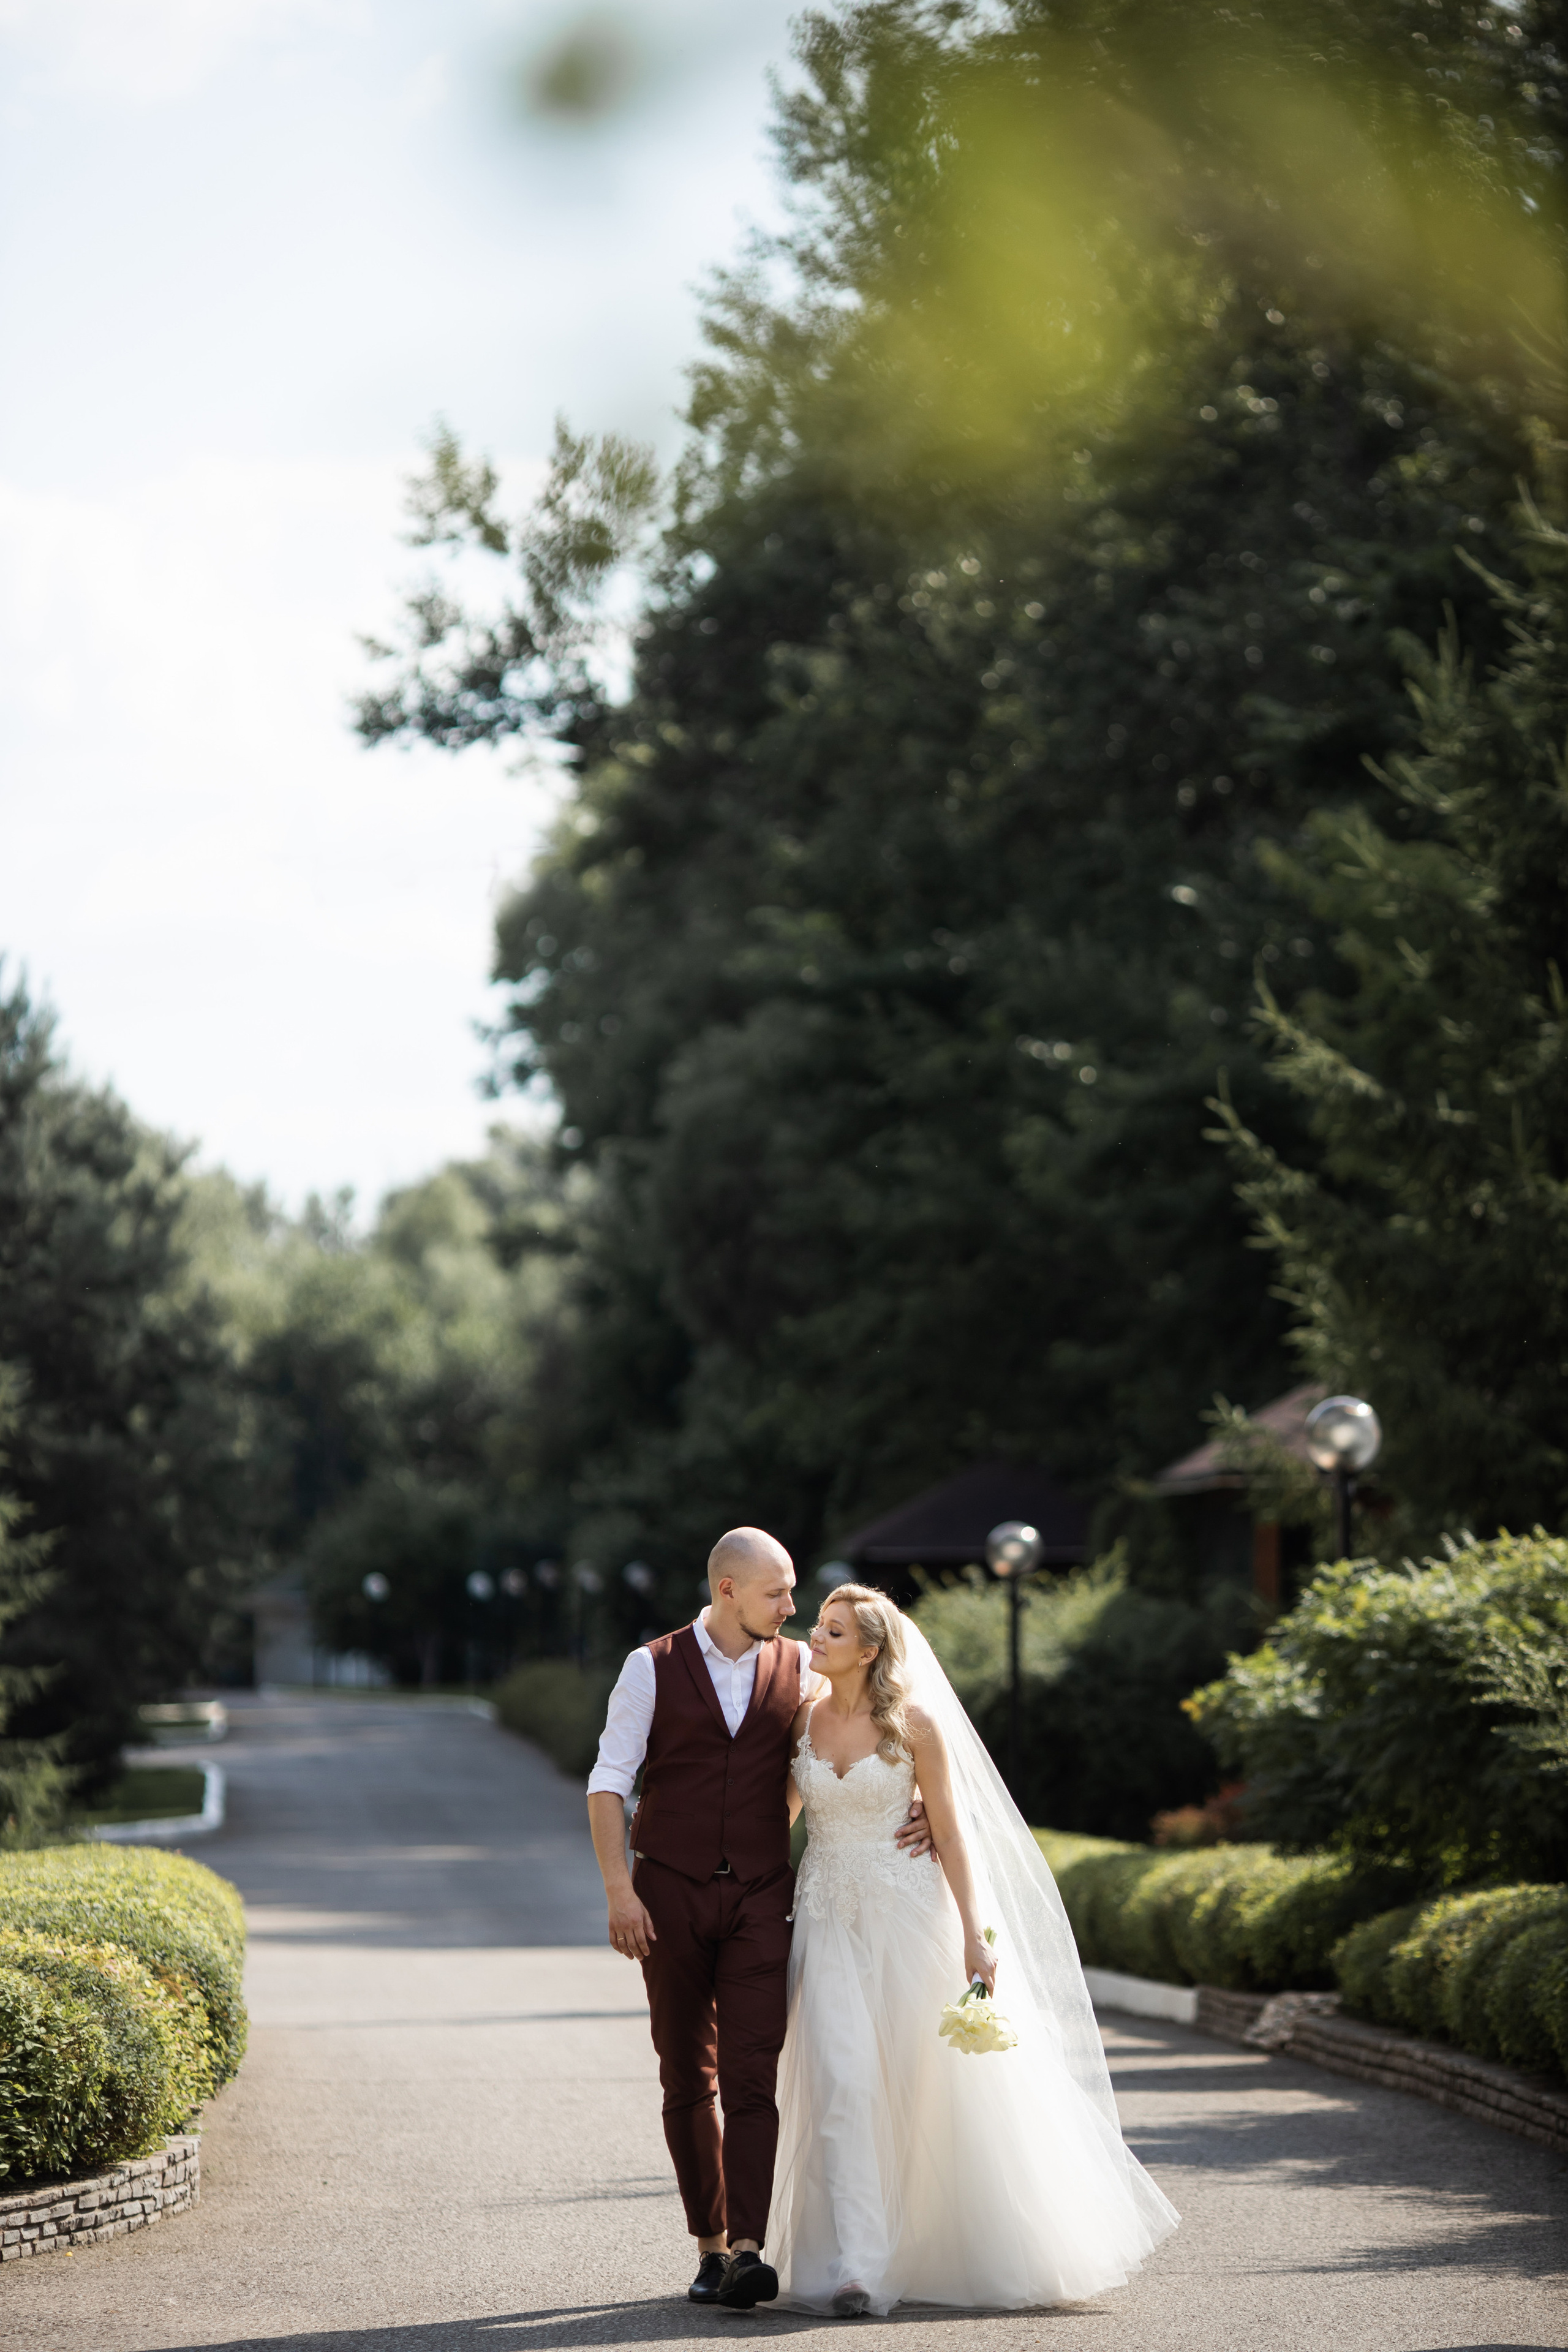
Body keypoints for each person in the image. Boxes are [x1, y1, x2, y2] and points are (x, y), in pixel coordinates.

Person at [769, 1583, 1180, 2316]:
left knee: (922, 2087)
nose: (815, 1638)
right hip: (827, 1919)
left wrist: (974, 1936)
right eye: (817, 1627)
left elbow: (953, 1834)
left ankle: (933, 2245)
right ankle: (857, 2265)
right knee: (844, 2082)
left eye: (832, 1632)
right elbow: (779, 1818)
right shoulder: (799, 1721)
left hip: (905, 1916)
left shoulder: (913, 1724)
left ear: (868, 1650)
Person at [586, 1529, 929, 2310]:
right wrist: (619, 1891)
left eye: (793, 1591)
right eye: (777, 1592)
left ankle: (747, 2249)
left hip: (760, 1897)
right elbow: (609, 1780)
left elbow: (848, 1738)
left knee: (751, 2071)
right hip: (665, 1894)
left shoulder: (801, 1669)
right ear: (728, 1590)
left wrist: (917, 1803)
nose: (793, 1607)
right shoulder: (651, 1665)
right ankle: (707, 2247)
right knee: (685, 2071)